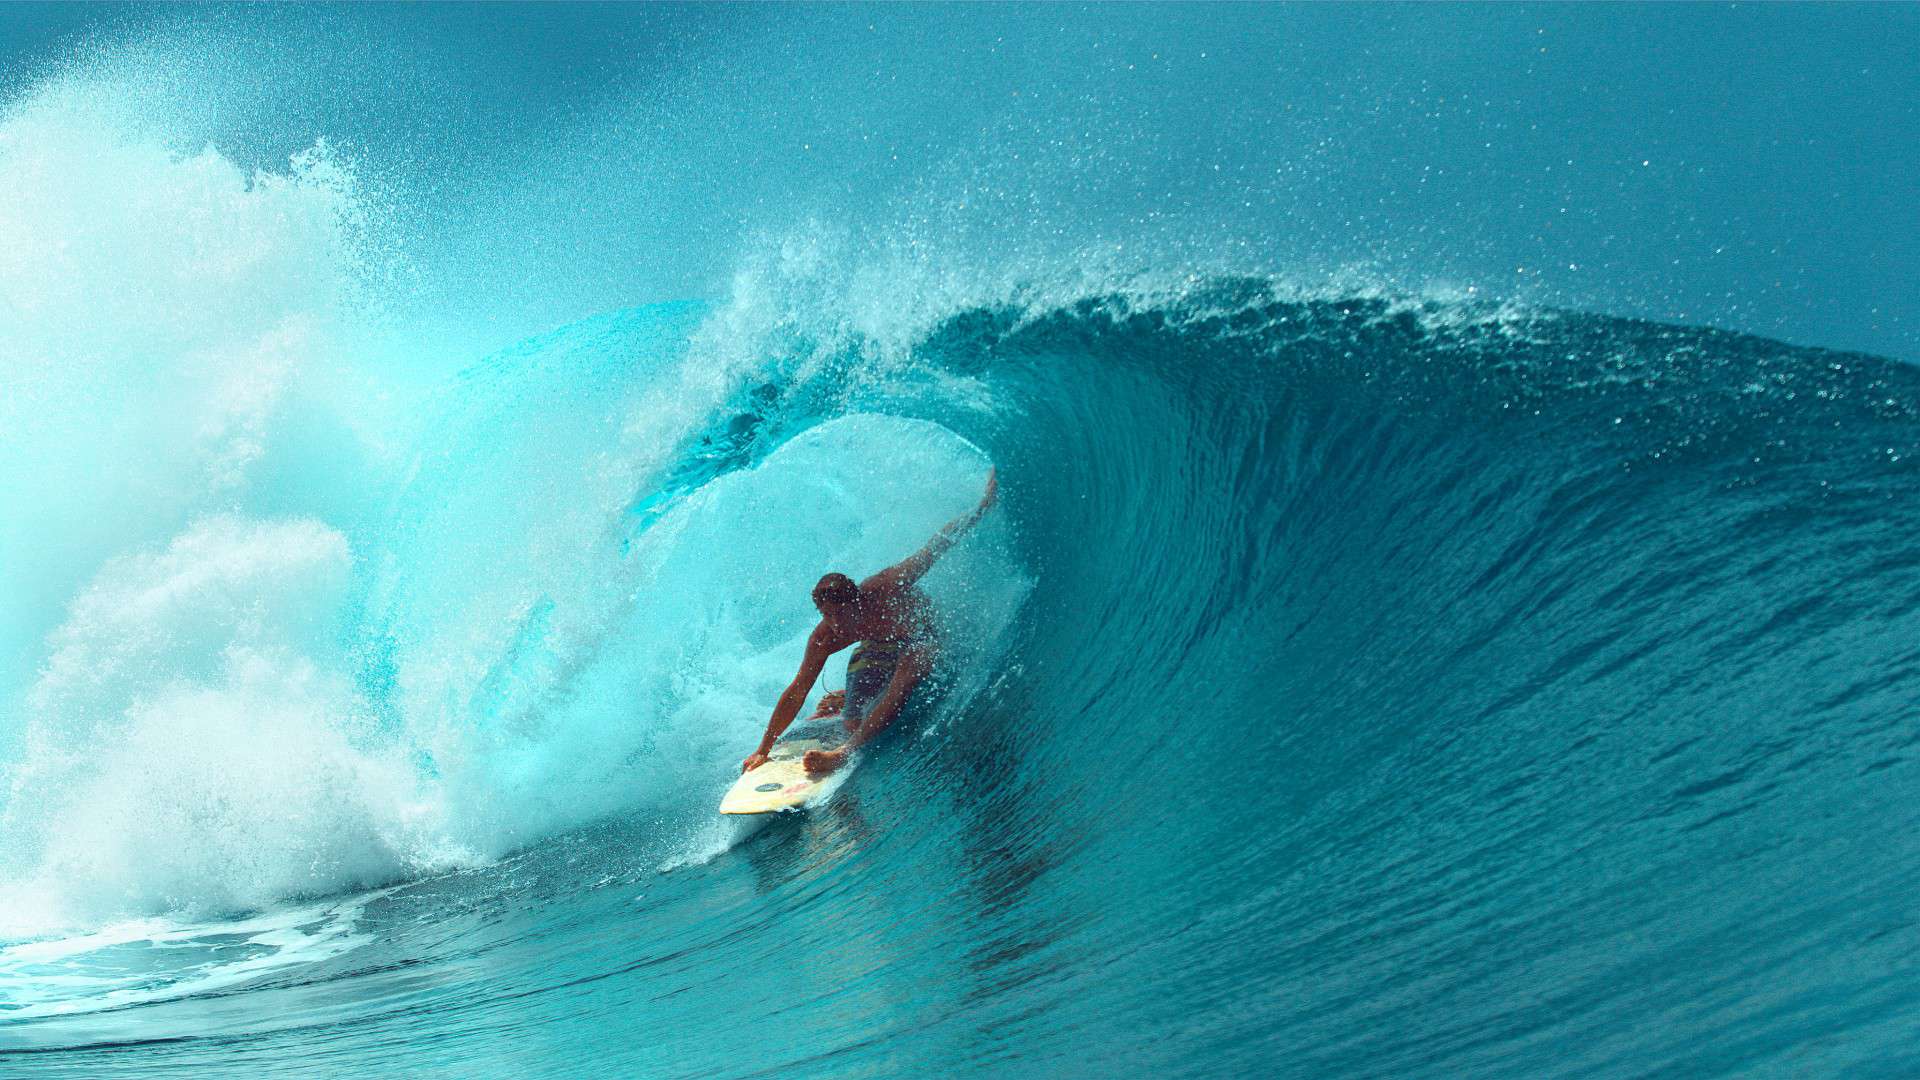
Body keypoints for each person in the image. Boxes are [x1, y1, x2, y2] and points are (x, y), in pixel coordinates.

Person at [742, 469, 998, 777]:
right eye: (826, 615)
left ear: (856, 602)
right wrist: (762, 750)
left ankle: (842, 753)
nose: (834, 623)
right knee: (852, 721)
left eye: (839, 614)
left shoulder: (887, 586)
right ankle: (844, 698)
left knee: (908, 669)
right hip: (880, 646)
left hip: (926, 638)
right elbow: (798, 689)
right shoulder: (826, 637)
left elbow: (937, 545)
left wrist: (982, 506)